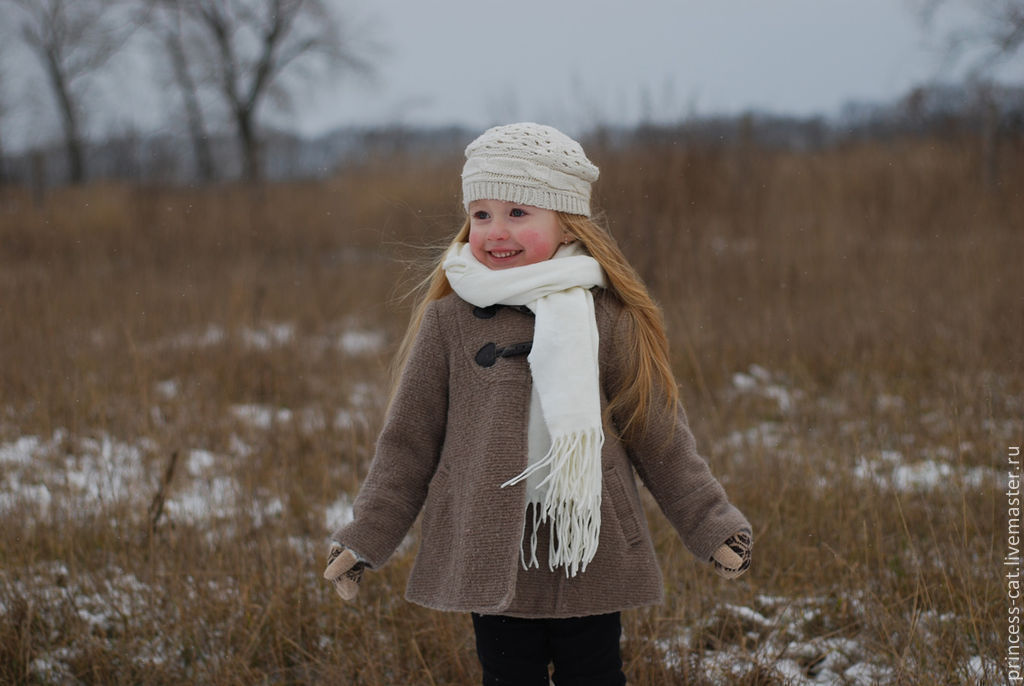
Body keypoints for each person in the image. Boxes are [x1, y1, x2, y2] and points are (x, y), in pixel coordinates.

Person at [324, 122, 752, 686]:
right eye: (481, 214)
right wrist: (364, 538)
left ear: (565, 220)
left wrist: (712, 525)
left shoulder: (607, 317)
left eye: (518, 213)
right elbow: (408, 444)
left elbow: (659, 436)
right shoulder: (449, 321)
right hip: (491, 540)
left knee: (595, 673)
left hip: (586, 542)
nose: (495, 231)